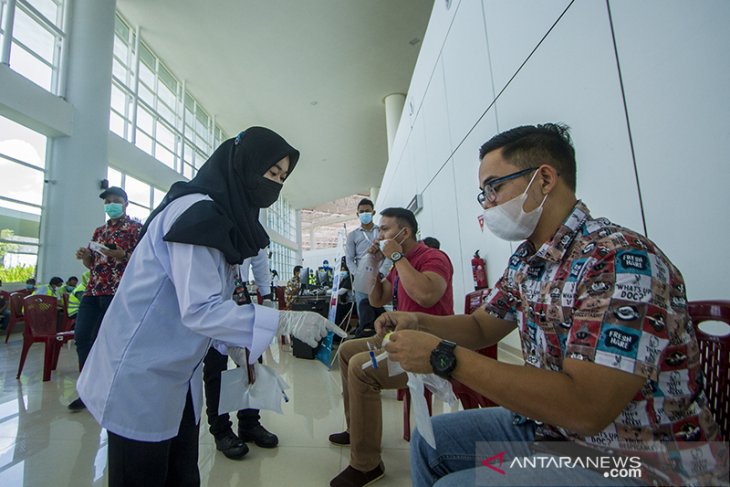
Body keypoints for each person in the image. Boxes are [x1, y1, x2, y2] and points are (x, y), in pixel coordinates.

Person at [378, 124, 727, 487]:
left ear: (544, 179)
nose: (488, 204)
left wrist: (442, 357)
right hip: (558, 437)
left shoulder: (618, 260)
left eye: (493, 188)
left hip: (636, 461)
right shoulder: (529, 261)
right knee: (431, 443)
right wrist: (417, 322)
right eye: (483, 194)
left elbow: (585, 407)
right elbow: (482, 326)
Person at [76, 127, 344, 487]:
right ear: (244, 165)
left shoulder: (218, 216)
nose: (275, 184)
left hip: (175, 375)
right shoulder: (197, 214)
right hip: (140, 373)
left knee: (183, 475)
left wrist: (236, 344)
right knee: (142, 475)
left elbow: (207, 302)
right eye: (271, 172)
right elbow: (200, 310)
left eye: (282, 177)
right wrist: (286, 321)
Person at [329, 207, 454, 487]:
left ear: (404, 233)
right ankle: (357, 429)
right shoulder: (400, 264)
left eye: (384, 229)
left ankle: (367, 464)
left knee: (363, 368)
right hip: (399, 336)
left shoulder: (433, 258)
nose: (378, 233)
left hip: (427, 346)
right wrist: (373, 262)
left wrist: (396, 256)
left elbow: (425, 294)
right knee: (348, 350)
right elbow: (376, 300)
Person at [67, 186, 142, 412]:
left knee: (113, 343)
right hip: (93, 291)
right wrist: (86, 258)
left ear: (126, 203)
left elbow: (142, 261)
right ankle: (88, 389)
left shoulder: (136, 229)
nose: (111, 204)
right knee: (83, 338)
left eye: (115, 200)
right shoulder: (99, 231)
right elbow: (93, 265)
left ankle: (115, 388)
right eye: (107, 201)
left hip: (118, 292)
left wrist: (122, 255)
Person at [203, 247, 279, 460]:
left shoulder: (248, 220)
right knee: (215, 366)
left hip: (239, 293)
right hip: (211, 296)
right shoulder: (209, 220)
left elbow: (260, 257)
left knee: (251, 359)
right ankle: (221, 430)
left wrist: (266, 294)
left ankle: (249, 422)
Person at [345, 198, 384, 337]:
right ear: (357, 214)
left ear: (373, 212)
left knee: (380, 309)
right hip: (361, 280)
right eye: (361, 212)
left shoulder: (381, 232)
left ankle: (381, 340)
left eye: (367, 211)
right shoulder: (353, 235)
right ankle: (365, 339)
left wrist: (382, 273)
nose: (365, 214)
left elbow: (387, 255)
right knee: (364, 311)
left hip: (380, 277)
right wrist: (358, 274)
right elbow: (349, 259)